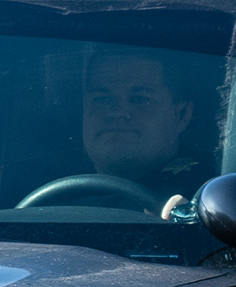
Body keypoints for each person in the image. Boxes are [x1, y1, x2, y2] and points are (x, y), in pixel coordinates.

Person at [78, 49, 212, 203]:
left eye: (139, 99)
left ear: (181, 115)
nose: (117, 112)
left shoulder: (212, 196)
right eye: (102, 99)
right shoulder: (50, 192)